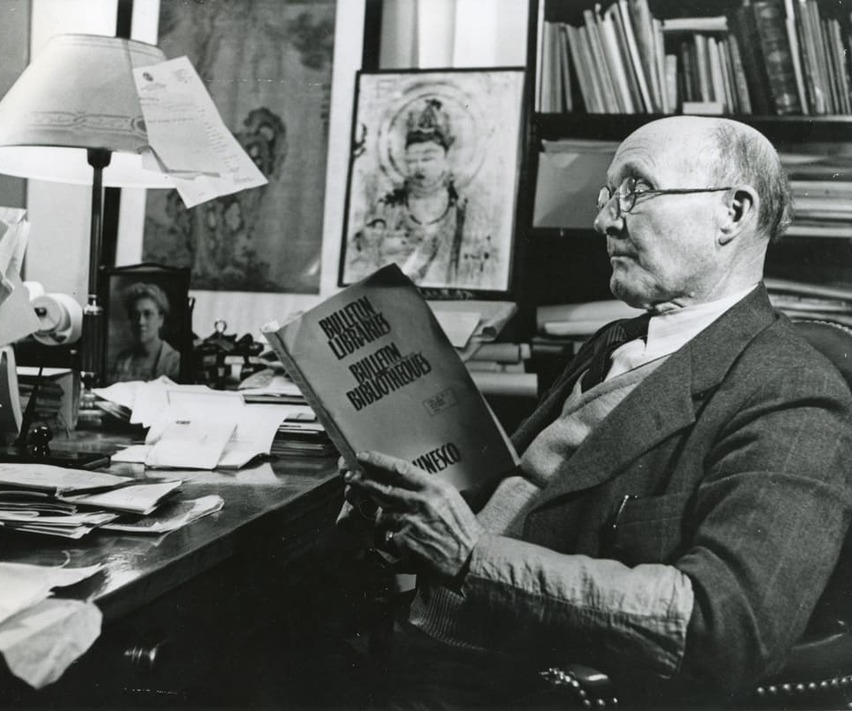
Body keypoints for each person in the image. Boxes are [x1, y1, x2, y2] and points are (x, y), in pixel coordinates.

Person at [338, 116, 852, 707]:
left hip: (498, 685)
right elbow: (525, 502)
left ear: (731, 213)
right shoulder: (616, 340)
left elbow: (724, 624)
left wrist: (468, 557)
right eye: (609, 196)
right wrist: (409, 522)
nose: (604, 219)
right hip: (414, 637)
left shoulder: (793, 391)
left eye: (635, 191)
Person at [347, 98, 497, 289]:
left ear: (447, 158)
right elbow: (357, 265)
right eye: (412, 160)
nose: (419, 167)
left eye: (428, 158)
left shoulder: (469, 215)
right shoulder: (385, 211)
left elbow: (486, 273)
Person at [110, 282, 180, 383]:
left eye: (148, 314)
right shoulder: (122, 360)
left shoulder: (175, 362)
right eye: (135, 315)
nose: (140, 322)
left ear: (161, 319)